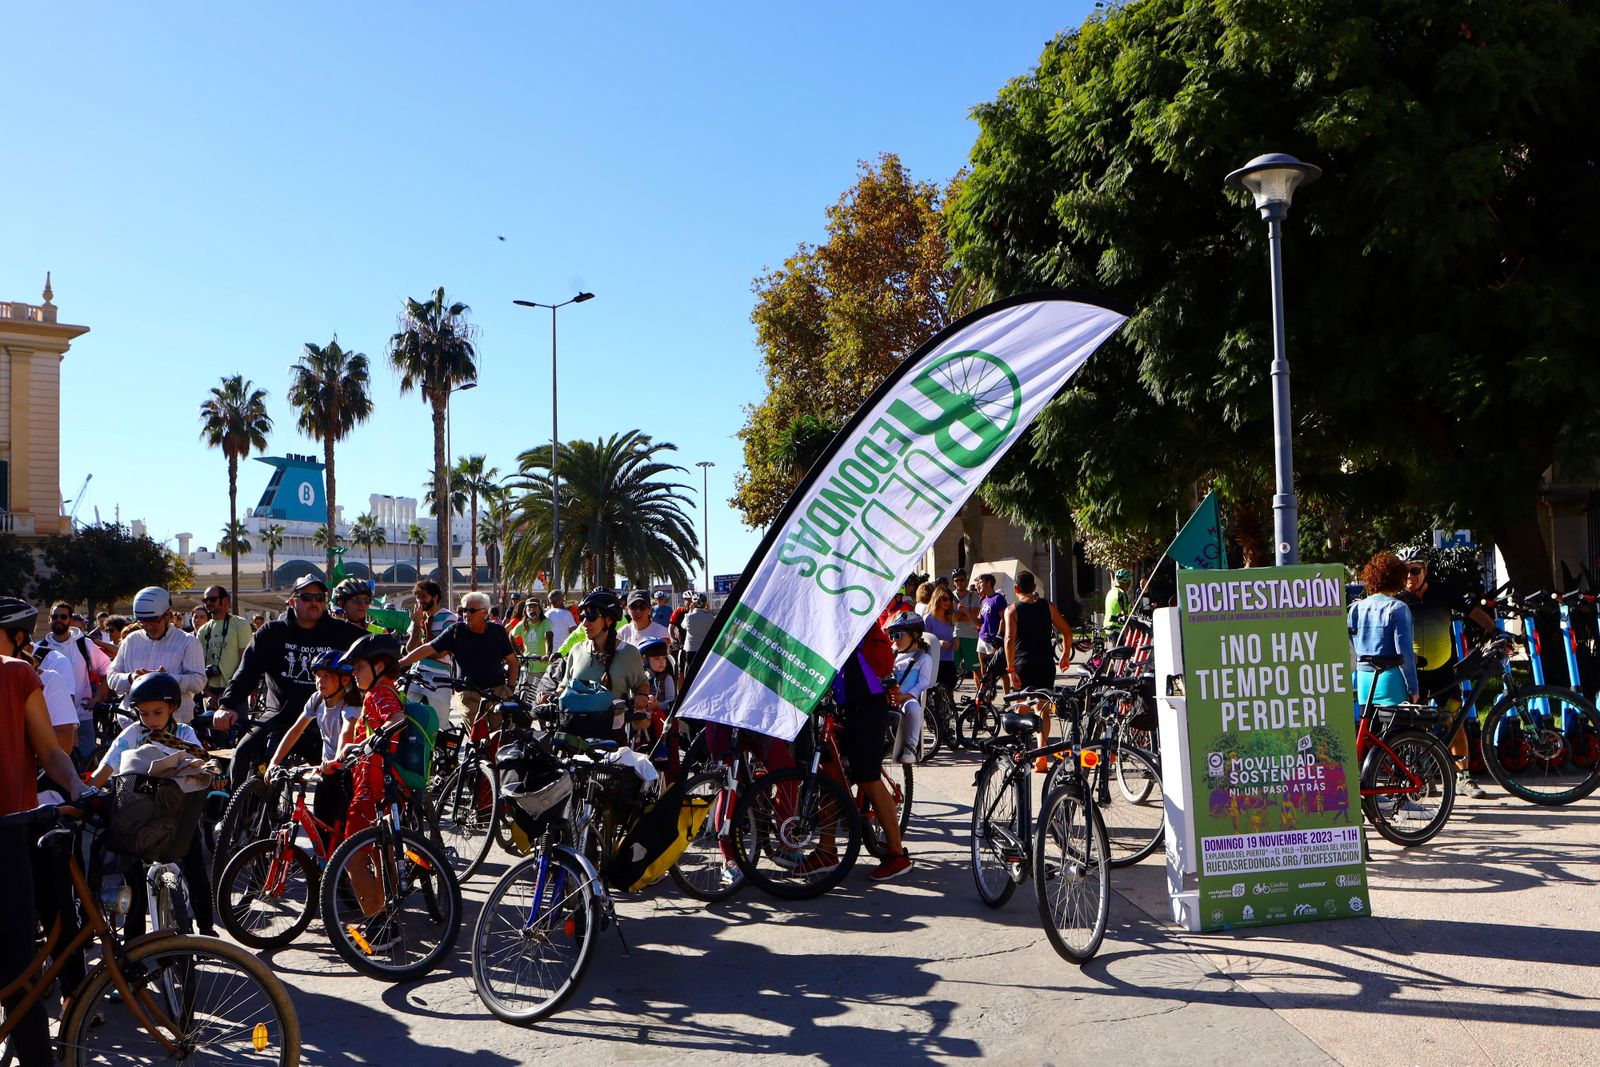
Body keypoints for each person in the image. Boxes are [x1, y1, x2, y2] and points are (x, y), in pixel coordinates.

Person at [0, 597, 89, 1067]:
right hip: (9, 833)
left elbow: (53, 751)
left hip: (9, 832)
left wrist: (78, 786)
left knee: (19, 969)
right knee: (18, 970)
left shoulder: (17, 674)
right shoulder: (18, 673)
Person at [89, 671, 218, 937]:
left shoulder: (184, 733)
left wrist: (207, 770)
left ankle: (206, 928)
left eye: (157, 712)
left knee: (194, 865)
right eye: (144, 713)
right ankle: (134, 940)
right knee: (133, 877)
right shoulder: (131, 734)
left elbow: (201, 761)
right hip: (137, 816)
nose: (151, 719)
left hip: (177, 814)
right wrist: (87, 789)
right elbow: (107, 767)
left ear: (173, 707)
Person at [213, 574, 367, 788]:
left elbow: (377, 649)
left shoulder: (341, 632)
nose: (314, 602)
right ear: (293, 602)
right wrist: (227, 705)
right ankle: (241, 808)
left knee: (341, 778)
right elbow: (247, 671)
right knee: (243, 753)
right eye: (306, 597)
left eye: (319, 597)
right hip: (278, 716)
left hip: (323, 720)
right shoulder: (271, 632)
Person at [1396, 547, 1496, 798]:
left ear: (1425, 570)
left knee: (1454, 720)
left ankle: (1463, 777)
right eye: (1404, 572)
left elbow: (1473, 611)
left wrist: (1496, 631)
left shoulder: (1443, 592)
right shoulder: (1397, 599)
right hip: (1414, 674)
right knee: (1417, 725)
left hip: (1443, 671)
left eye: (1415, 571)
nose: (1409, 577)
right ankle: (1423, 776)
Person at [822, 628, 912, 881]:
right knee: (829, 776)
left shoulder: (854, 618)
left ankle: (897, 855)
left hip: (868, 702)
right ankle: (826, 851)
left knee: (868, 778)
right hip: (842, 702)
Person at [266, 649, 359, 839]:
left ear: (344, 680)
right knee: (321, 829)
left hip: (347, 774)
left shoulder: (350, 704)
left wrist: (336, 760)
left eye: (326, 676)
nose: (319, 681)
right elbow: (295, 730)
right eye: (317, 676)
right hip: (327, 772)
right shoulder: (317, 700)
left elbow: (347, 732)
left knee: (342, 834)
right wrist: (274, 761)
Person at [400, 591, 518, 733]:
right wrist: (401, 662)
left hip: (497, 692)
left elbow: (513, 662)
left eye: (471, 610)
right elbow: (428, 648)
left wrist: (510, 688)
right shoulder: (456, 630)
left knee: (500, 736)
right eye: (464, 610)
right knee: (477, 737)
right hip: (468, 694)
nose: (467, 614)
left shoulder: (497, 631)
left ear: (484, 613)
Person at [1003, 570, 1075, 771]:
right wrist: (1065, 654)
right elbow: (1067, 631)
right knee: (1042, 708)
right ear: (1034, 588)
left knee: (1022, 706)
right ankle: (1041, 755)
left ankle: (1023, 751)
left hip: (1022, 663)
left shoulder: (1012, 610)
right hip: (1044, 663)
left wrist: (1010, 668)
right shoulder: (1048, 606)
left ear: (1016, 589)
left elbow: (1009, 640)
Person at [556, 590, 650, 740]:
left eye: (591, 617)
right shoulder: (576, 650)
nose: (584, 623)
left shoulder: (629, 653)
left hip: (611, 739)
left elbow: (641, 684)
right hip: (575, 736)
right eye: (582, 617)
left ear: (609, 620)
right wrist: (552, 695)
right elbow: (564, 686)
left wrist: (642, 696)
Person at [107, 587, 207, 721]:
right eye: (143, 622)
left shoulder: (188, 642)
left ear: (168, 616)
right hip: (132, 722)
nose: (149, 626)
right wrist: (131, 678)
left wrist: (168, 680)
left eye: (154, 621)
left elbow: (198, 682)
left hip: (174, 724)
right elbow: (112, 676)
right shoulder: (131, 640)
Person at [34, 600, 111, 762]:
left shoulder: (84, 644)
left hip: (83, 715)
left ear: (70, 619)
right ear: (49, 619)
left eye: (63, 616)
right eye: (55, 616)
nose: (59, 620)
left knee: (88, 763)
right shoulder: (40, 648)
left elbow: (108, 669)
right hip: (53, 721)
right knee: (58, 763)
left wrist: (98, 697)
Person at [1347, 551, 1419, 715]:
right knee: (1397, 728)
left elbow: (1351, 648)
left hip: (1363, 679)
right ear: (1398, 579)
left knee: (1369, 728)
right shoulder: (1398, 608)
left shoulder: (1355, 609)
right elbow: (1404, 652)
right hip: (1390, 678)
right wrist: (1413, 687)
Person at [404, 579, 458, 722]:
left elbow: (442, 652)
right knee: (409, 720)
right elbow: (410, 649)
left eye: (423, 597)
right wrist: (416, 625)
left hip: (439, 678)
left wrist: (420, 652)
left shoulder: (449, 618)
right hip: (416, 676)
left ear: (435, 597)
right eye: (417, 597)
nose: (420, 601)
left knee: (440, 723)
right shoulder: (418, 619)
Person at [885, 611, 935, 764]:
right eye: (892, 636)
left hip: (907, 698)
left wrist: (904, 697)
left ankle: (910, 747)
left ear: (914, 635)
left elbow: (923, 683)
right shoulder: (893, 655)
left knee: (913, 708)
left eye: (898, 635)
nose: (895, 640)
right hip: (889, 697)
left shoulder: (924, 659)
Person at [196, 585, 251, 713]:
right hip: (211, 695)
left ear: (225, 601)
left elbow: (245, 662)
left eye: (212, 599)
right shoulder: (203, 630)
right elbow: (198, 665)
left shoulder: (240, 624)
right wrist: (207, 693)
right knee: (211, 727)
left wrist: (228, 692)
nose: (208, 603)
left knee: (238, 726)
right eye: (205, 600)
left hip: (235, 690)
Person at [923, 587, 960, 693]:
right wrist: (937, 643)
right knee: (935, 694)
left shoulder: (950, 618)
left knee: (949, 693)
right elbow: (923, 641)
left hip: (949, 661)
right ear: (937, 598)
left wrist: (956, 640)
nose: (948, 602)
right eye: (944, 599)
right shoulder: (928, 618)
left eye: (950, 599)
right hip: (934, 662)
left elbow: (953, 635)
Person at [976, 574, 1009, 693]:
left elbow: (1004, 619)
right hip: (982, 638)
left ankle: (1007, 698)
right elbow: (980, 621)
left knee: (1001, 671)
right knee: (984, 668)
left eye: (981, 582)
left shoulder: (998, 599)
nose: (979, 585)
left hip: (994, 640)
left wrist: (999, 638)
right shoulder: (983, 600)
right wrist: (966, 612)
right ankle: (986, 695)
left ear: (989, 583)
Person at [510, 597, 555, 679]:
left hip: (543, 668)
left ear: (540, 609)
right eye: (529, 607)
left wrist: (548, 654)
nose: (532, 609)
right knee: (523, 687)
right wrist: (518, 654)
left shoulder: (546, 622)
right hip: (527, 668)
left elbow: (548, 637)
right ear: (525, 610)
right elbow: (511, 636)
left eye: (535, 606)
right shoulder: (522, 624)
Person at [951, 569, 981, 687]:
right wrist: (965, 613)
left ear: (966, 580)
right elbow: (949, 617)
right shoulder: (950, 596)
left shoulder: (973, 596)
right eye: (956, 580)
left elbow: (974, 615)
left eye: (961, 580)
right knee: (952, 669)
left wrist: (958, 615)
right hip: (955, 636)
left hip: (971, 637)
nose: (959, 582)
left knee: (976, 669)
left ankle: (981, 694)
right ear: (953, 582)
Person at [680, 593, 717, 664]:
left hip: (691, 650)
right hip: (705, 649)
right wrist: (708, 611)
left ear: (693, 604)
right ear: (705, 603)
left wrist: (690, 610)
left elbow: (683, 625)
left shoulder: (689, 617)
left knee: (690, 668)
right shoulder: (710, 617)